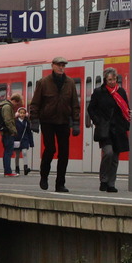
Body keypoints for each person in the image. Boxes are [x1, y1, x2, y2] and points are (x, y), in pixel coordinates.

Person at [29, 56, 81, 193]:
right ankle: (44, 175)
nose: (61, 67)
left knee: (64, 153)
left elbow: (75, 104)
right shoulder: (44, 82)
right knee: (50, 149)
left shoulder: (70, 83)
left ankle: (60, 183)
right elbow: (35, 103)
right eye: (59, 65)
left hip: (63, 121)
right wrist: (34, 120)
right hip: (48, 121)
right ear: (52, 66)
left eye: (63, 65)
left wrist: (76, 123)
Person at [88, 67, 130, 193]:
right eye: (110, 79)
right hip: (105, 129)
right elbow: (91, 109)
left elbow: (126, 109)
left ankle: (111, 184)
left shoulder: (121, 92)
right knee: (108, 153)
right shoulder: (99, 92)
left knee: (115, 158)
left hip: (118, 129)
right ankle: (103, 179)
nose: (112, 82)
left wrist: (125, 125)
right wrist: (97, 121)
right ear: (105, 80)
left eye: (114, 79)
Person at [0, 94, 23, 176]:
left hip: (6, 131)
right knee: (8, 151)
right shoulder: (7, 107)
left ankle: (7, 170)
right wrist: (14, 130)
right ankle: (8, 171)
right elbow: (8, 120)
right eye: (17, 104)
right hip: (8, 132)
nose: (16, 106)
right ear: (15, 101)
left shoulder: (5, 106)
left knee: (7, 151)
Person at [13, 106, 35, 175]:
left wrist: (31, 142)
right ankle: (17, 167)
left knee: (24, 152)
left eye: (23, 113)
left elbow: (29, 132)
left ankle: (26, 167)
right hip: (17, 139)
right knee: (17, 154)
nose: (22, 114)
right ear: (18, 114)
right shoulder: (15, 122)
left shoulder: (26, 122)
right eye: (20, 113)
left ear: (26, 114)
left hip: (25, 140)